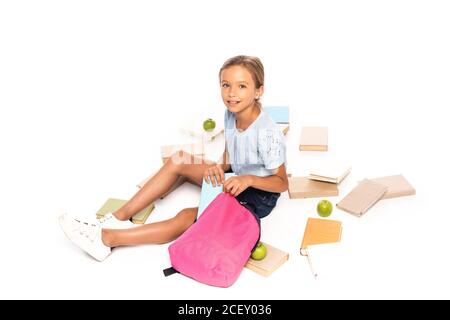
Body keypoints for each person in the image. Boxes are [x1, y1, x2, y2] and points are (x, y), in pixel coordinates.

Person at [59, 55, 288, 261]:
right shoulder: (231, 112)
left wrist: (248, 180)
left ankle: (107, 239)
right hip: (235, 179)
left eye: (242, 86)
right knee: (179, 159)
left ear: (258, 91)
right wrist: (219, 166)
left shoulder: (267, 133)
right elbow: (231, 147)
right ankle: (117, 216)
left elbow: (281, 183)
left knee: (188, 216)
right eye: (226, 85)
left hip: (259, 196)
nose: (231, 93)